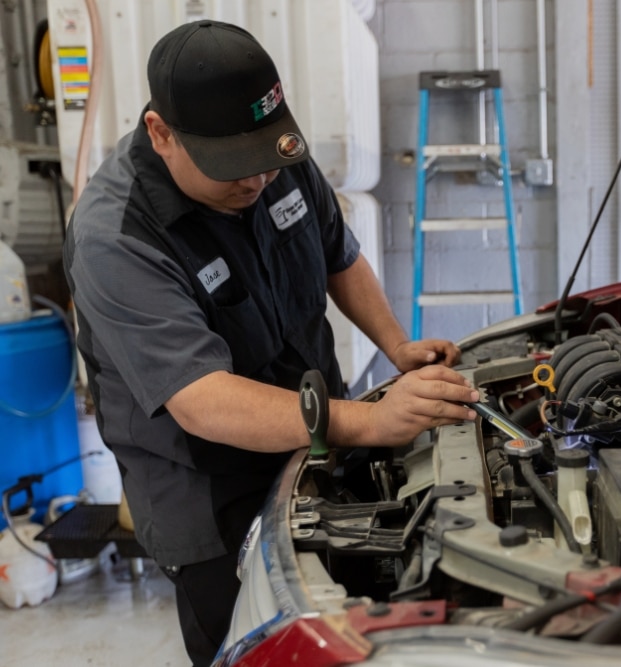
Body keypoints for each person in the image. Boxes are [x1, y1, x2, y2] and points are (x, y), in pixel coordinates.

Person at [63, 20, 478, 667]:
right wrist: (368, 419)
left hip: (316, 443)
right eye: (233, 164)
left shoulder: (270, 152)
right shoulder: (116, 238)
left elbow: (340, 256)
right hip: (210, 497)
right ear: (160, 133)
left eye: (266, 156)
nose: (256, 178)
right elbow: (204, 402)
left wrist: (396, 346)